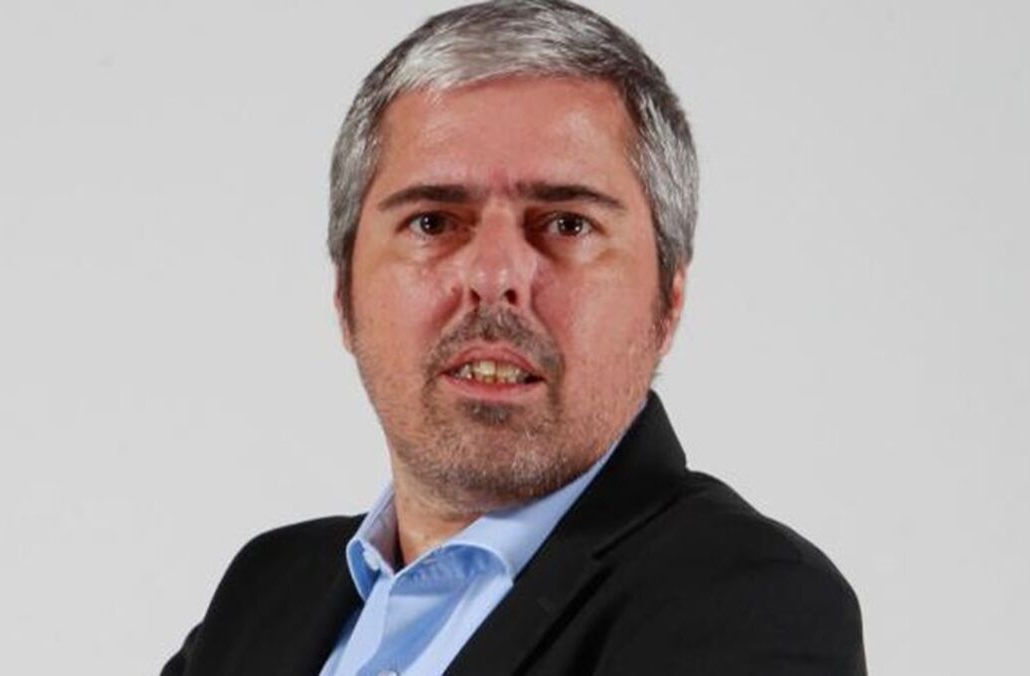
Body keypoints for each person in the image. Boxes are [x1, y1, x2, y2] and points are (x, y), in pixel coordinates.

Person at [162, 1, 866, 674]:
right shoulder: (265, 591)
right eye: (433, 222)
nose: (494, 277)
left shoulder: (753, 602)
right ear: (345, 293)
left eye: (567, 224)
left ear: (669, 301)